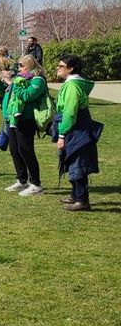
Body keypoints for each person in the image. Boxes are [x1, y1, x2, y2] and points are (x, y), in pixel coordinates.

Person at [53, 55, 100, 211]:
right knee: (72, 160)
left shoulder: (73, 86)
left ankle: (82, 200)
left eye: (61, 66)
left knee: (77, 162)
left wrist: (62, 135)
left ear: (71, 68)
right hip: (77, 127)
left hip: (76, 128)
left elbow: (70, 112)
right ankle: (75, 195)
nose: (57, 68)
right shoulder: (72, 84)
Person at [1, 54, 47, 197]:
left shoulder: (38, 80)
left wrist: (13, 84)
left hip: (26, 119)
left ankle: (36, 184)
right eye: (18, 65)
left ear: (30, 65)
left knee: (26, 150)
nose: (19, 68)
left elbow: (28, 96)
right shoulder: (19, 79)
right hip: (13, 119)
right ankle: (22, 180)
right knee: (15, 150)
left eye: (21, 65)